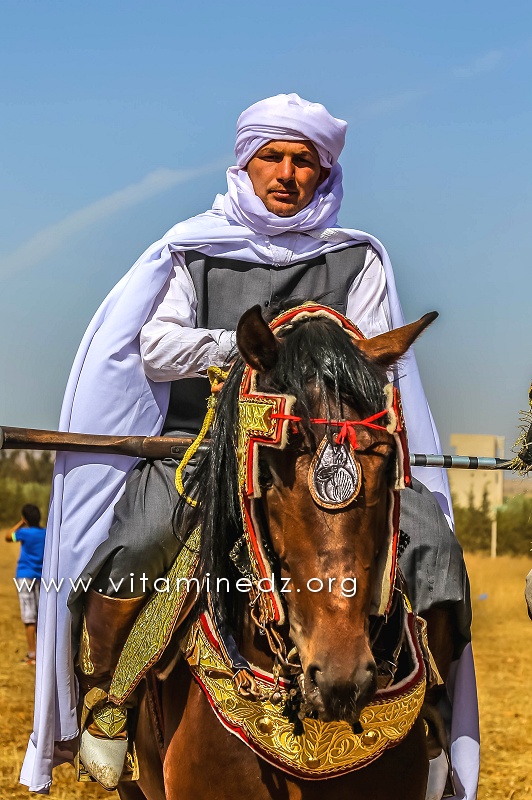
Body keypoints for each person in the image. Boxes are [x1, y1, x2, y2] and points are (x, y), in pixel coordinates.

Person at [20, 93, 479, 797]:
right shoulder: (193, 250)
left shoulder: (356, 258)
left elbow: (371, 356)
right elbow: (155, 343)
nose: (288, 173)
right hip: (201, 445)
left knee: (437, 549)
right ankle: (111, 700)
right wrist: (246, 351)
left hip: (331, 450)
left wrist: (311, 364)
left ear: (323, 176)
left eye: (305, 162)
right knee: (142, 539)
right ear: (246, 163)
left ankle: (432, 712)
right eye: (274, 157)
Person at [5, 504, 46, 666]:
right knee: (40, 617)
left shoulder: (24, 533)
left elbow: (8, 536)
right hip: (42, 578)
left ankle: (32, 655)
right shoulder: (45, 533)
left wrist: (21, 523)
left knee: (29, 618)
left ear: (26, 518)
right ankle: (42, 652)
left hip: (24, 578)